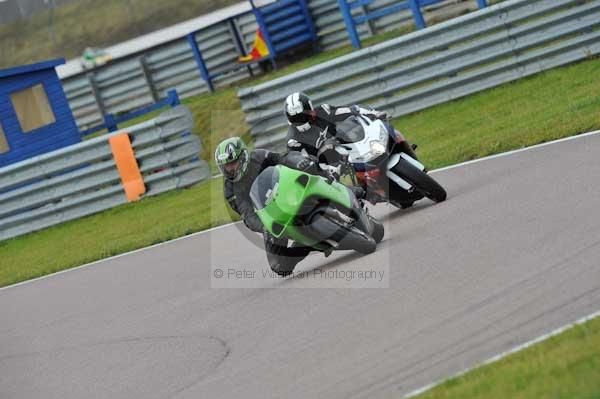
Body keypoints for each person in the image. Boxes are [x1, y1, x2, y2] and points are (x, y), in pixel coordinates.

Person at [215, 137, 329, 277]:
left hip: (287, 191)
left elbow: (283, 159)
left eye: (233, 163)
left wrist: (299, 162)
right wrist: (265, 227)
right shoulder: (230, 190)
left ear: (243, 156)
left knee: (312, 168)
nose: (230, 169)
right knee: (280, 266)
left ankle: (350, 191)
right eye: (226, 166)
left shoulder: (259, 156)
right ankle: (309, 244)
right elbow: (248, 215)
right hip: (271, 216)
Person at [284, 92, 387, 159]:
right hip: (326, 170)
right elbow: (301, 162)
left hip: (350, 152)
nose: (300, 121)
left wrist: (374, 114)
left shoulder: (323, 111)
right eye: (295, 119)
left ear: (311, 109)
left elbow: (351, 110)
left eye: (302, 116)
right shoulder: (293, 141)